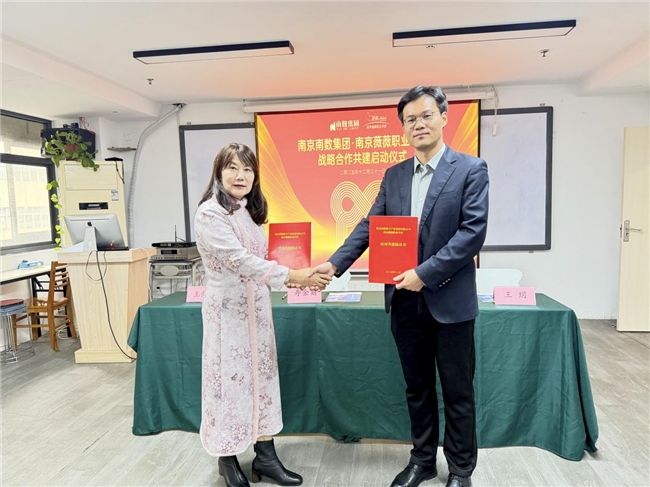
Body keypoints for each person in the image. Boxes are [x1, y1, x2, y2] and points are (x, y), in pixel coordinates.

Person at [309, 85, 489, 487]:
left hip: (450, 302)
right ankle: (422, 460)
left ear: (444, 117)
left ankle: (461, 469)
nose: (418, 124)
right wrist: (335, 264)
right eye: (410, 119)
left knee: (458, 391)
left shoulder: (470, 169)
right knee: (416, 388)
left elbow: (472, 234)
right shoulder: (394, 175)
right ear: (403, 128)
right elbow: (369, 226)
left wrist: (424, 273)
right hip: (405, 302)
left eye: (426, 115)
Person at [195, 143, 331, 487]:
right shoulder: (210, 214)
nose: (240, 176)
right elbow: (239, 261)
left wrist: (296, 275)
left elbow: (261, 260)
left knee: (262, 381)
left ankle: (266, 457)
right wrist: (293, 275)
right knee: (229, 385)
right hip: (227, 316)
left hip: (258, 312)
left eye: (248, 169)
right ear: (219, 172)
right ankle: (227, 459)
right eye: (232, 168)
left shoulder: (247, 213)